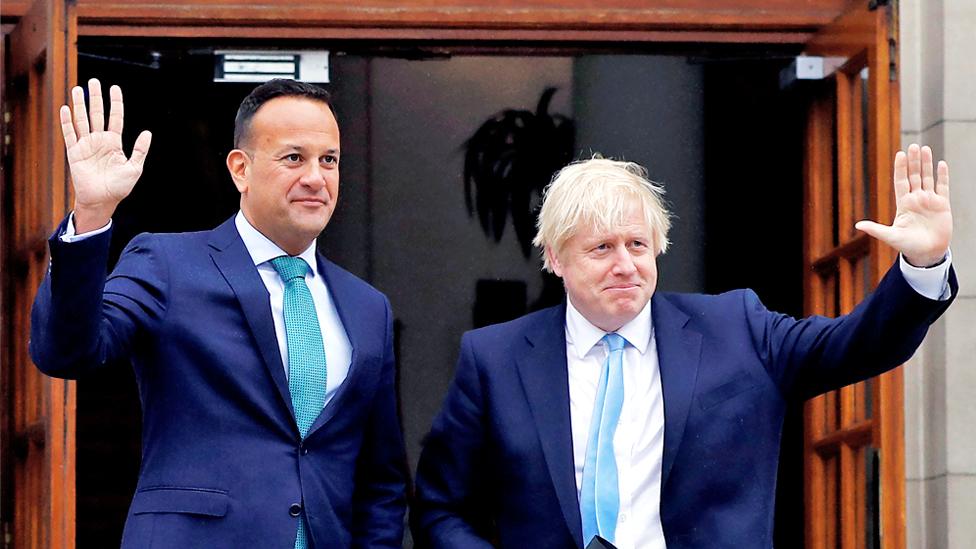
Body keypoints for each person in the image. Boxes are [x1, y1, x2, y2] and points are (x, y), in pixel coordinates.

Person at [412, 151, 956, 548]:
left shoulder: (736, 328)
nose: (625, 264)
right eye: (601, 248)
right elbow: (441, 507)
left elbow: (856, 346)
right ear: (554, 257)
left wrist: (923, 266)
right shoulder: (495, 358)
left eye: (638, 245)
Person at [30, 78, 407, 548]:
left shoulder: (368, 307)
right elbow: (67, 352)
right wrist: (90, 216)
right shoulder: (167, 264)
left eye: (328, 160)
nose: (316, 177)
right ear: (240, 170)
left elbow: (381, 481)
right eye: (294, 158)